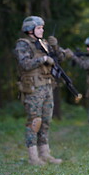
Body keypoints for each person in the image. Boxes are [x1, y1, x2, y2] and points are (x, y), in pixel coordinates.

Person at [14, 16, 64, 165]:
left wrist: (55, 47)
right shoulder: (23, 45)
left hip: (47, 86)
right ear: (30, 30)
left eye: (42, 27)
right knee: (34, 121)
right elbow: (24, 64)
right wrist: (42, 60)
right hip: (33, 88)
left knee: (46, 121)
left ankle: (45, 154)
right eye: (39, 28)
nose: (42, 30)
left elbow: (59, 58)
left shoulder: (44, 44)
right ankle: (33, 157)